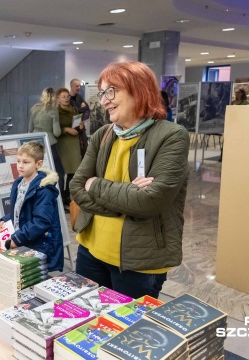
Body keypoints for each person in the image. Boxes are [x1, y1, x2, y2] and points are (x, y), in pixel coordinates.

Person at [70, 61, 190, 299]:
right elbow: (76, 187)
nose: (104, 100)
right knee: (87, 327)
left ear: (139, 90)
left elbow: (149, 202)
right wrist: (126, 201)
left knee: (129, 332)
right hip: (90, 250)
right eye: (103, 92)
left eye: (111, 91)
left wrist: (95, 184)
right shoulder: (102, 135)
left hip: (138, 261)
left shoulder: (172, 136)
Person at [0, 141, 63, 272]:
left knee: (32, 278)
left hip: (38, 245)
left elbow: (41, 221)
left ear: (38, 164)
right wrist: (6, 219)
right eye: (18, 161)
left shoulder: (43, 190)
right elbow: (20, 209)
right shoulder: (18, 183)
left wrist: (17, 238)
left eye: (26, 162)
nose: (20, 166)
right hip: (24, 239)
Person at [28, 87, 64, 192]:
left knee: (37, 170)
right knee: (58, 171)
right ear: (53, 97)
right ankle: (58, 197)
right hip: (49, 143)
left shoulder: (34, 108)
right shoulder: (53, 110)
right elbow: (57, 132)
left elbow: (30, 128)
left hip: (35, 142)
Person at [56, 88, 82, 209]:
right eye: (63, 96)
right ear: (58, 98)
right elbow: (54, 130)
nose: (66, 98)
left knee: (73, 172)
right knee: (61, 173)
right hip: (62, 144)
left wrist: (80, 125)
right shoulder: (56, 111)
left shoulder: (73, 110)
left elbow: (76, 125)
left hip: (74, 143)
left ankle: (68, 198)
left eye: (67, 96)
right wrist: (66, 129)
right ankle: (60, 199)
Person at [69, 79, 90, 158]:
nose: (79, 88)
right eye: (76, 86)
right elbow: (71, 112)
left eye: (79, 86)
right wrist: (80, 109)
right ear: (72, 86)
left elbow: (87, 108)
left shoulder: (79, 97)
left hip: (81, 127)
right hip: (72, 128)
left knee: (85, 149)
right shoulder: (68, 98)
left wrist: (77, 110)